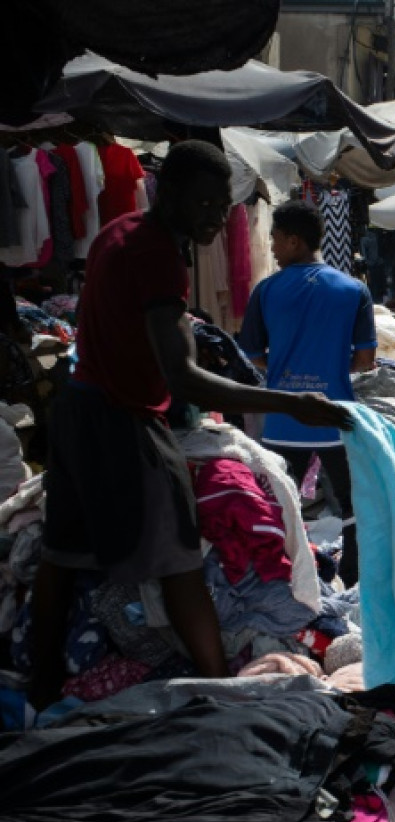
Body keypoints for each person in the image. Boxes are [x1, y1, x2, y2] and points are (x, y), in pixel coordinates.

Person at [28, 141, 351, 709]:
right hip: (124, 419)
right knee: (179, 558)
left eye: (220, 205)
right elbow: (182, 377)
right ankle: (219, 692)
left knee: (64, 552)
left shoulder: (119, 232)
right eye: (201, 203)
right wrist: (288, 401)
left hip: (78, 411)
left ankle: (42, 685)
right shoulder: (157, 254)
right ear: (168, 193)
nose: (212, 216)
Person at [239, 200, 377, 587]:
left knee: (277, 504)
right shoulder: (355, 290)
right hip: (336, 415)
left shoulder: (265, 291)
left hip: (284, 418)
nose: (271, 248)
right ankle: (353, 577)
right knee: (352, 504)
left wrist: (286, 370)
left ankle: (279, 578)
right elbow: (366, 359)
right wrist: (331, 369)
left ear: (295, 241)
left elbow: (252, 355)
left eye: (276, 239)